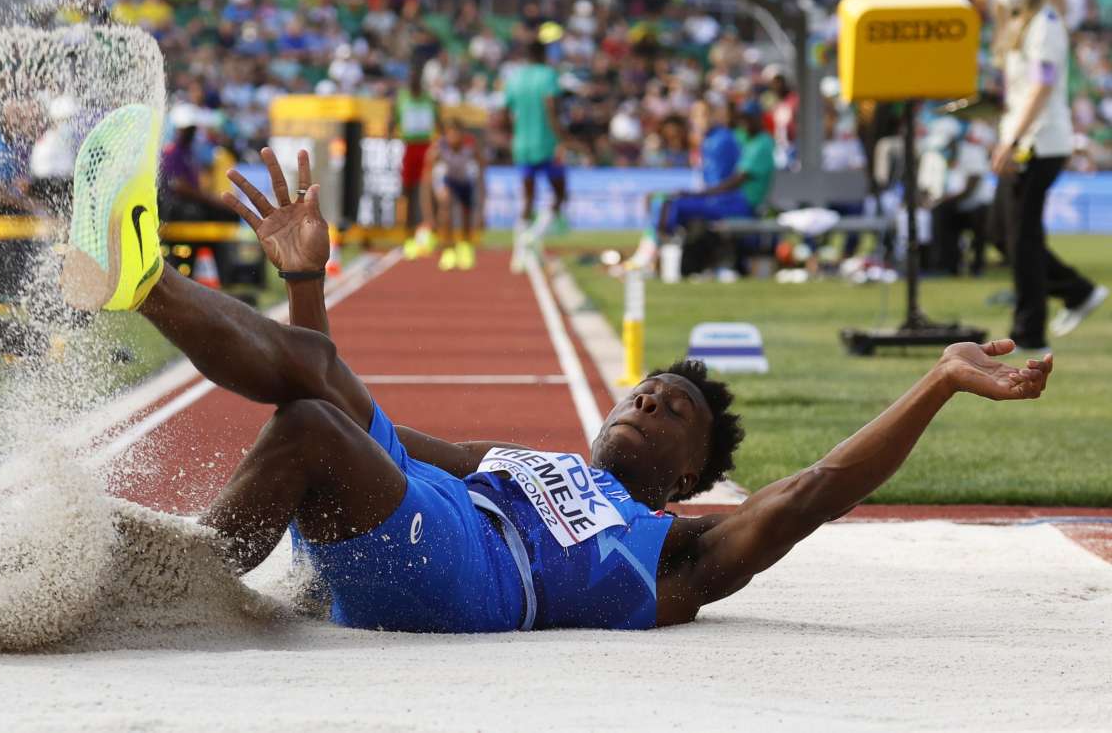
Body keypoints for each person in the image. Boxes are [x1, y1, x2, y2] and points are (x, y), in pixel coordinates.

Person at [59, 143, 1055, 634]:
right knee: (322, 406)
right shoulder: (516, 460)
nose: (649, 400)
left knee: (317, 418)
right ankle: (139, 278)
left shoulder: (679, 551)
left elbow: (812, 490)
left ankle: (174, 585)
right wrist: (306, 282)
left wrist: (936, 378)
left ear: (685, 478)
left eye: (677, 412)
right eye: (643, 389)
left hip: (472, 578)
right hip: (426, 516)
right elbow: (346, 410)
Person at [988, 0, 1107, 348]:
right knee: (1004, 234)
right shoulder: (1019, 21)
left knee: (1021, 238)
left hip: (1040, 142)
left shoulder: (1047, 23)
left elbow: (1042, 85)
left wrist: (1014, 137)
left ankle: (1029, 334)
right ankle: (1077, 291)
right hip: (1020, 137)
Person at [654, 100, 768, 245]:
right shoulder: (724, 138)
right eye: (695, 116)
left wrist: (698, 194)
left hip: (735, 201)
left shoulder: (742, 140)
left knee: (673, 205)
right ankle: (664, 251)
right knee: (665, 203)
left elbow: (731, 181)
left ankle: (664, 250)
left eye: (703, 114)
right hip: (724, 198)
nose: (743, 122)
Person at [502, 35, 567, 271]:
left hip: (522, 145)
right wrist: (560, 138)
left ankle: (518, 254)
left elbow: (505, 112)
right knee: (560, 194)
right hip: (547, 144)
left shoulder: (514, 78)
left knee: (527, 200)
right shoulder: (548, 75)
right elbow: (551, 106)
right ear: (543, 54)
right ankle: (534, 235)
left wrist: (513, 135)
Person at [930, 121, 996, 277]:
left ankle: (977, 266)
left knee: (944, 210)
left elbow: (972, 185)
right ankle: (948, 265)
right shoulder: (938, 156)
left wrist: (946, 199)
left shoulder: (972, 152)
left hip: (977, 205)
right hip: (955, 206)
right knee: (939, 215)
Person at [421, 117, 485, 271]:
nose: (454, 138)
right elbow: (427, 180)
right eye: (451, 134)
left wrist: (481, 208)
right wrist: (429, 216)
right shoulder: (438, 148)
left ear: (462, 135)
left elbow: (482, 171)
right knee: (446, 205)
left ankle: (464, 247)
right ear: (446, 135)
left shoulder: (471, 147)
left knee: (467, 214)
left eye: (457, 134)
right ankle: (448, 248)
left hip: (465, 181)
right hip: (447, 180)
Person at [392, 60, 439, 259]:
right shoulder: (401, 98)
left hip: (426, 146)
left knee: (428, 188)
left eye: (416, 78)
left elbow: (440, 122)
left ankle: (428, 230)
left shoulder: (430, 98)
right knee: (408, 189)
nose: (413, 82)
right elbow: (391, 120)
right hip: (408, 147)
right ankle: (409, 232)